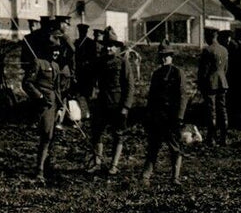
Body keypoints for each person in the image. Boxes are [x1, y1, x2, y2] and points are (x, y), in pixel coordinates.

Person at [141, 43, 189, 185]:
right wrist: (148, 114)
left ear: (171, 57)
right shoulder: (156, 74)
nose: (163, 59)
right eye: (161, 56)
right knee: (153, 146)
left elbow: (182, 96)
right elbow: (151, 97)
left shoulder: (177, 73)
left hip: (172, 117)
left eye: (166, 56)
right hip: (157, 116)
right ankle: (146, 176)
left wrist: (180, 116)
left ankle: (175, 177)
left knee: (175, 147)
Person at [89, 27, 133, 175]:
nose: (108, 48)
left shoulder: (123, 62)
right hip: (101, 103)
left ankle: (114, 165)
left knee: (118, 134)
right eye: (106, 45)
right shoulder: (99, 62)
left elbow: (129, 86)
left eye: (112, 45)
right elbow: (93, 80)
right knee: (97, 133)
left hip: (117, 105)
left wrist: (125, 107)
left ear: (117, 47)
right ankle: (97, 162)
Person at [23, 42, 66, 183]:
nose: (56, 53)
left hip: (53, 106)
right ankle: (39, 170)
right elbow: (27, 83)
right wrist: (39, 96)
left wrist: (60, 107)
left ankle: (47, 166)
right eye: (53, 50)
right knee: (46, 136)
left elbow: (57, 89)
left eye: (58, 51)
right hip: (42, 106)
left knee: (52, 136)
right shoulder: (38, 62)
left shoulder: (56, 66)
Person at [197, 28, 231, 144]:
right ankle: (224, 138)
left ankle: (211, 138)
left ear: (209, 36)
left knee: (211, 110)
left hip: (211, 83)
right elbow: (225, 69)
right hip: (222, 82)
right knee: (222, 109)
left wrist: (200, 83)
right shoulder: (224, 50)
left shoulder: (207, 50)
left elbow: (204, 71)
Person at [72, 23, 99, 100]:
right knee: (78, 93)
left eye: (83, 31)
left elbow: (94, 58)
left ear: (86, 32)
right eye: (80, 31)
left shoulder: (91, 43)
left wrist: (87, 63)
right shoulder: (76, 42)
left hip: (87, 72)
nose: (81, 33)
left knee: (87, 93)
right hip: (78, 70)